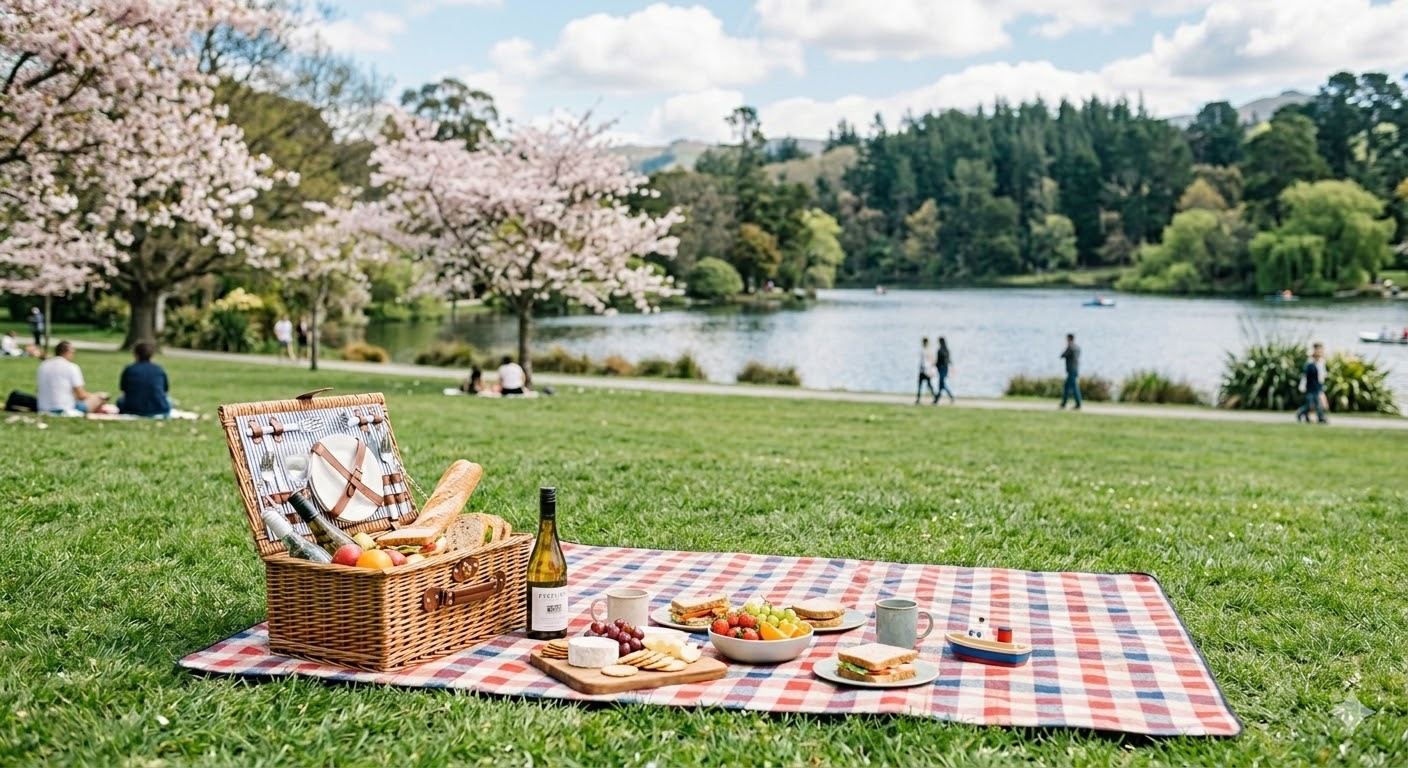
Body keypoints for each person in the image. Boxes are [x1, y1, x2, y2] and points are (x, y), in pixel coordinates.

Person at [36, 341, 106, 415]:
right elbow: (81, 395)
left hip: (43, 408)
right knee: (99, 399)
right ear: (68, 352)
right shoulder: (71, 367)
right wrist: (95, 396)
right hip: (65, 409)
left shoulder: (43, 366)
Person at [117, 341, 171, 418]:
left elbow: (124, 390)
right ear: (152, 355)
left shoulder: (129, 369)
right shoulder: (159, 369)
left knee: (120, 401)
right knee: (169, 401)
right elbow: (165, 390)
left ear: (135, 354)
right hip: (158, 409)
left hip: (132, 409)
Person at [1295, 342, 1328, 424]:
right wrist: (1302, 386)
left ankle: (1319, 418)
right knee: (1311, 404)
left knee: (1315, 403)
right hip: (1310, 387)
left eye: (1321, 350)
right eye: (1318, 350)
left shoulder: (1322, 362)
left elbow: (1322, 375)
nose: (1320, 352)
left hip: (1318, 386)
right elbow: (1305, 376)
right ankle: (1302, 414)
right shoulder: (1309, 363)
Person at [1059, 333, 1081, 410]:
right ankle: (1064, 403)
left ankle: (1077, 404)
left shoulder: (1070, 348)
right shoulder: (1077, 347)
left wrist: (1066, 348)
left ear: (1069, 339)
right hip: (1075, 369)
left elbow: (1062, 356)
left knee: (1073, 387)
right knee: (1067, 386)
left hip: (1071, 370)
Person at [915, 337, 937, 404]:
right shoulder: (926, 350)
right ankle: (919, 399)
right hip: (924, 370)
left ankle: (935, 397)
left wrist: (931, 370)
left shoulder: (926, 351)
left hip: (926, 371)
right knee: (922, 385)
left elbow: (930, 361)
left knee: (927, 385)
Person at [933, 336, 955, 404]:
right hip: (945, 368)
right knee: (942, 384)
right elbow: (949, 360)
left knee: (941, 384)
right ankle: (938, 398)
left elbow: (938, 361)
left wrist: (935, 365)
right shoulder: (947, 350)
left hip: (941, 368)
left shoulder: (940, 350)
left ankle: (938, 398)